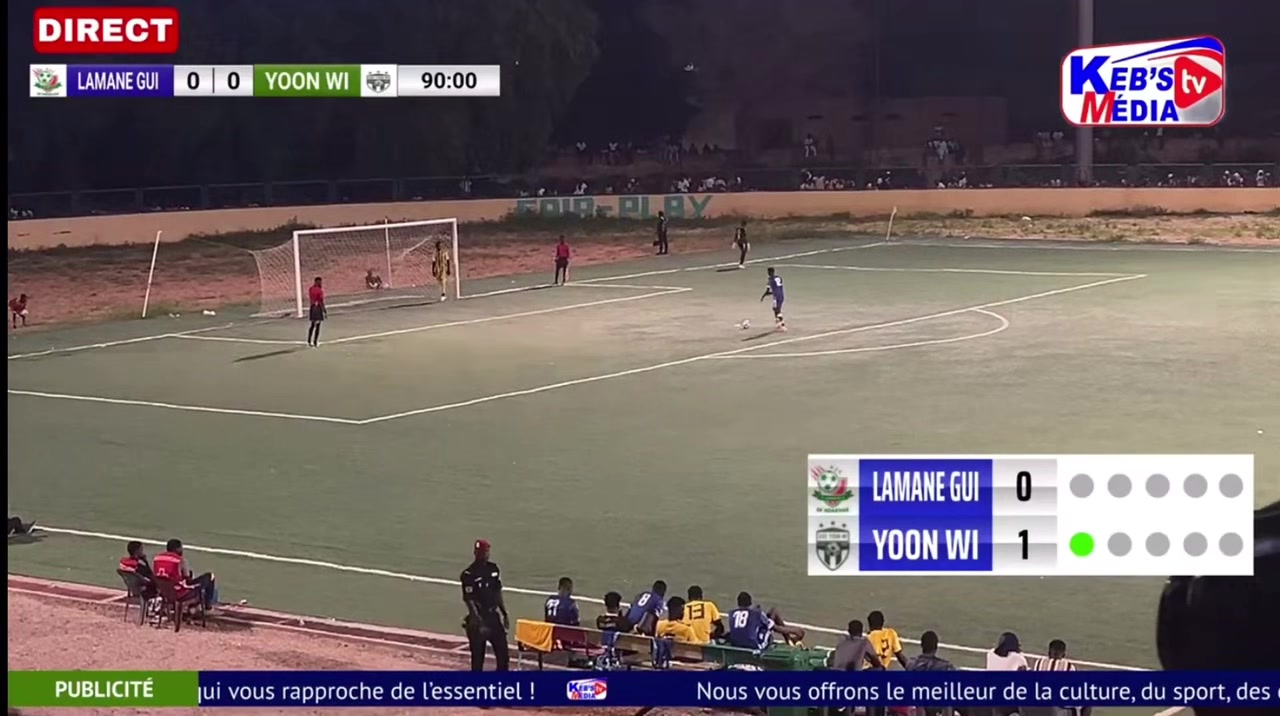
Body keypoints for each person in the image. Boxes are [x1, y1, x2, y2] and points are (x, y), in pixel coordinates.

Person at [461, 539, 509, 671]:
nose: (483, 554)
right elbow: (469, 599)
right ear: (475, 553)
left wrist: (504, 613)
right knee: (477, 659)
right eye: (481, 552)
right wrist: (479, 622)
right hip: (478, 620)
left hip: (493, 617)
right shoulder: (469, 574)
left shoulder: (493, 569)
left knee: (503, 655)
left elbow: (497, 592)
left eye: (485, 551)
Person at [152, 538, 218, 610]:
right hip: (178, 593)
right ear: (177, 549)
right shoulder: (179, 560)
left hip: (163, 591)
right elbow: (188, 580)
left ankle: (193, 605)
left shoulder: (157, 558)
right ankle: (207, 606)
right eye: (181, 548)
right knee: (210, 577)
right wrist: (190, 576)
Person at [760, 267, 786, 332]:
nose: (768, 273)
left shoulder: (770, 280)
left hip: (776, 297)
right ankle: (778, 323)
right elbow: (778, 287)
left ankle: (782, 325)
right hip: (781, 295)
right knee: (775, 309)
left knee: (777, 310)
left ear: (770, 272)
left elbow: (768, 291)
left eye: (769, 272)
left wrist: (763, 296)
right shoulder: (779, 278)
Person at [306, 277, 325, 348]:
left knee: (312, 325)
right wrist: (324, 310)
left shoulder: (311, 289)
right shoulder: (320, 290)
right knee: (318, 326)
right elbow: (321, 301)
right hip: (317, 308)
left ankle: (309, 341)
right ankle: (315, 342)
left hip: (312, 308)